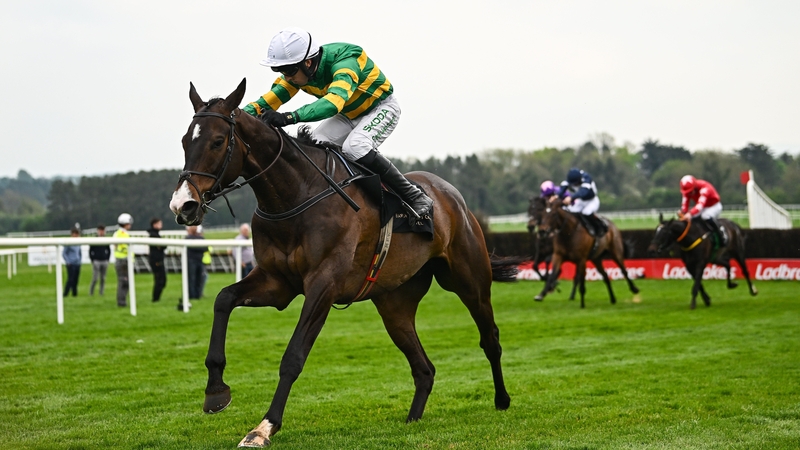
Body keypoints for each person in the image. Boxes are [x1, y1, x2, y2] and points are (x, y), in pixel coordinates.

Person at [242, 27, 433, 221]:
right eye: (280, 70)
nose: (286, 76)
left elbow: (334, 102)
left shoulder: (346, 61)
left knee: (355, 147)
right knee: (313, 146)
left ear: (308, 62)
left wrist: (289, 117)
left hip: (381, 108)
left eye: (289, 70)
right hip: (348, 114)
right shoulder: (298, 74)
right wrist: (232, 114)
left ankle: (414, 195)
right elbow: (267, 101)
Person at [557, 168, 607, 237]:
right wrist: (556, 196)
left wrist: (571, 198)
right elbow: (562, 188)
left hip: (592, 201)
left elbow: (583, 192)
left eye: (575, 183)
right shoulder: (571, 178)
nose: (574, 185)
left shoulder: (586, 177)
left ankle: (599, 226)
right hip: (581, 201)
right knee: (571, 213)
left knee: (586, 212)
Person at [679, 175, 727, 245]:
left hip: (714, 205)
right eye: (687, 192)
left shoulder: (705, 189)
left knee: (705, 216)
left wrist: (690, 214)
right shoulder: (687, 191)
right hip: (703, 206)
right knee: (689, 218)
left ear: (695, 187)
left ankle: (721, 233)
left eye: (690, 192)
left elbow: (700, 206)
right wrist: (683, 212)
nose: (689, 194)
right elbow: (685, 203)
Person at [113, 213, 133, 308]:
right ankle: (121, 302)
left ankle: (122, 301)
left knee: (124, 282)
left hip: (120, 260)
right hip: (123, 261)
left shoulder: (117, 233)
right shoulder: (123, 234)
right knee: (124, 282)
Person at [185, 225, 208, 304]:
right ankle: (192, 295)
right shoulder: (187, 238)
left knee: (199, 278)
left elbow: (205, 248)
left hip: (199, 260)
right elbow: (195, 248)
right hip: (191, 261)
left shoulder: (200, 238)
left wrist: (197, 248)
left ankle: (197, 295)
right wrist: (199, 248)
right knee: (192, 278)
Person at [147, 218, 167, 302]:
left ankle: (156, 298)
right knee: (160, 280)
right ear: (154, 224)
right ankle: (155, 299)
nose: (161, 225)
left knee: (162, 280)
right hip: (156, 261)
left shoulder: (155, 234)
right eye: (159, 223)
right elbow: (162, 246)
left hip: (158, 260)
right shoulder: (153, 235)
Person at [89, 224, 110, 296]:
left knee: (103, 278)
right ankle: (91, 292)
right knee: (95, 278)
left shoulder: (105, 239)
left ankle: (101, 292)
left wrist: (107, 259)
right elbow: (91, 250)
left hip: (104, 260)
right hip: (96, 260)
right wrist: (92, 259)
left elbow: (108, 250)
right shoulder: (94, 240)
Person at [62, 227, 82, 297]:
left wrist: (80, 261)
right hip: (71, 264)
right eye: (75, 234)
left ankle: (74, 294)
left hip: (77, 264)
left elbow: (79, 253)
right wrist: (68, 261)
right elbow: (64, 253)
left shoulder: (78, 243)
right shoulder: (68, 243)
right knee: (70, 279)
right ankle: (65, 293)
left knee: (76, 280)